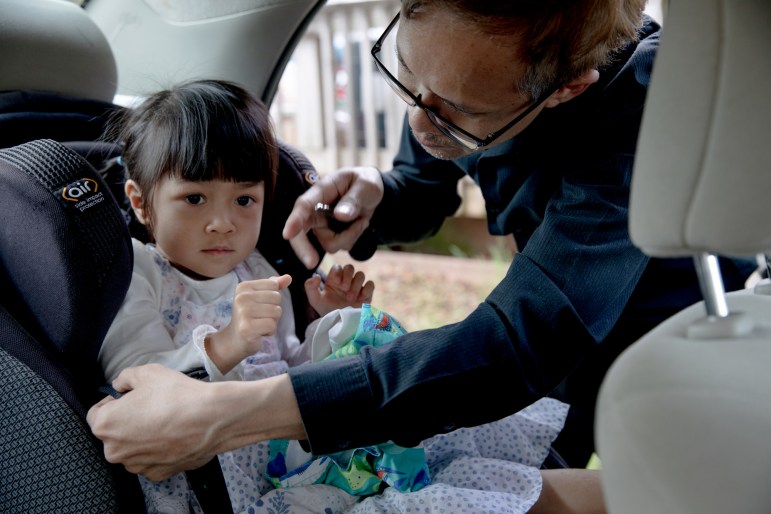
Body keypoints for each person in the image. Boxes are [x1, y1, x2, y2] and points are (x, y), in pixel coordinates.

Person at [88, 0, 755, 500]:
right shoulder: (454, 83)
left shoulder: (637, 118)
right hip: (538, 332)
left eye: (454, 111)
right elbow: (425, 184)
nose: (417, 118)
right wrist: (382, 192)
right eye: (405, 74)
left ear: (565, 89)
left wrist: (232, 414)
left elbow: (516, 342)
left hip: (639, 323)